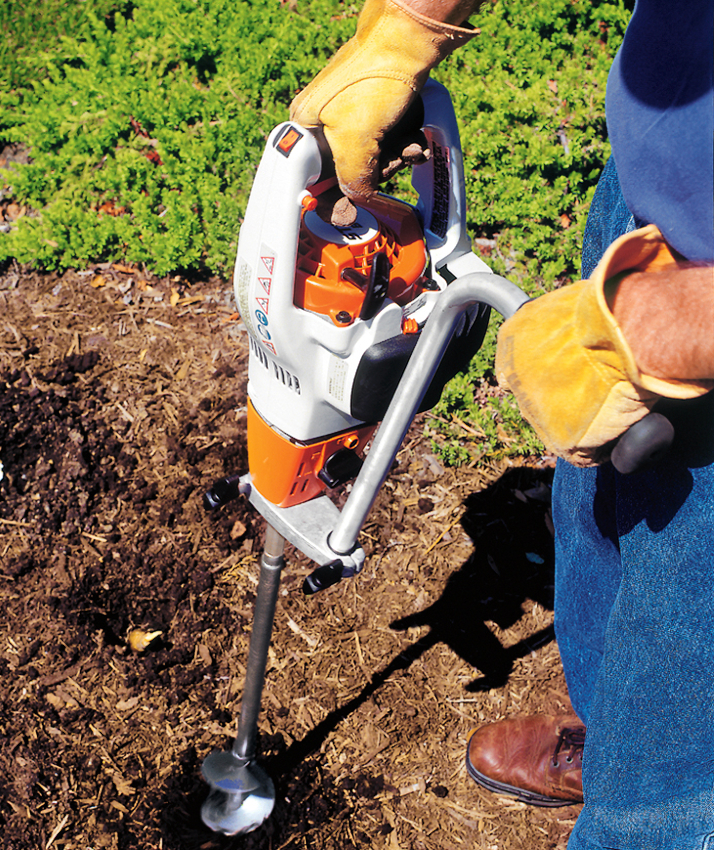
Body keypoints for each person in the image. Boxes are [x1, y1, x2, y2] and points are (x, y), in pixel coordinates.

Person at [289, 0, 714, 847]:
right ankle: (611, 733)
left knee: (687, 601)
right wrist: (409, 28)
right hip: (654, 195)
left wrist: (686, 313)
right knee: (594, 504)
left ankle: (655, 812)